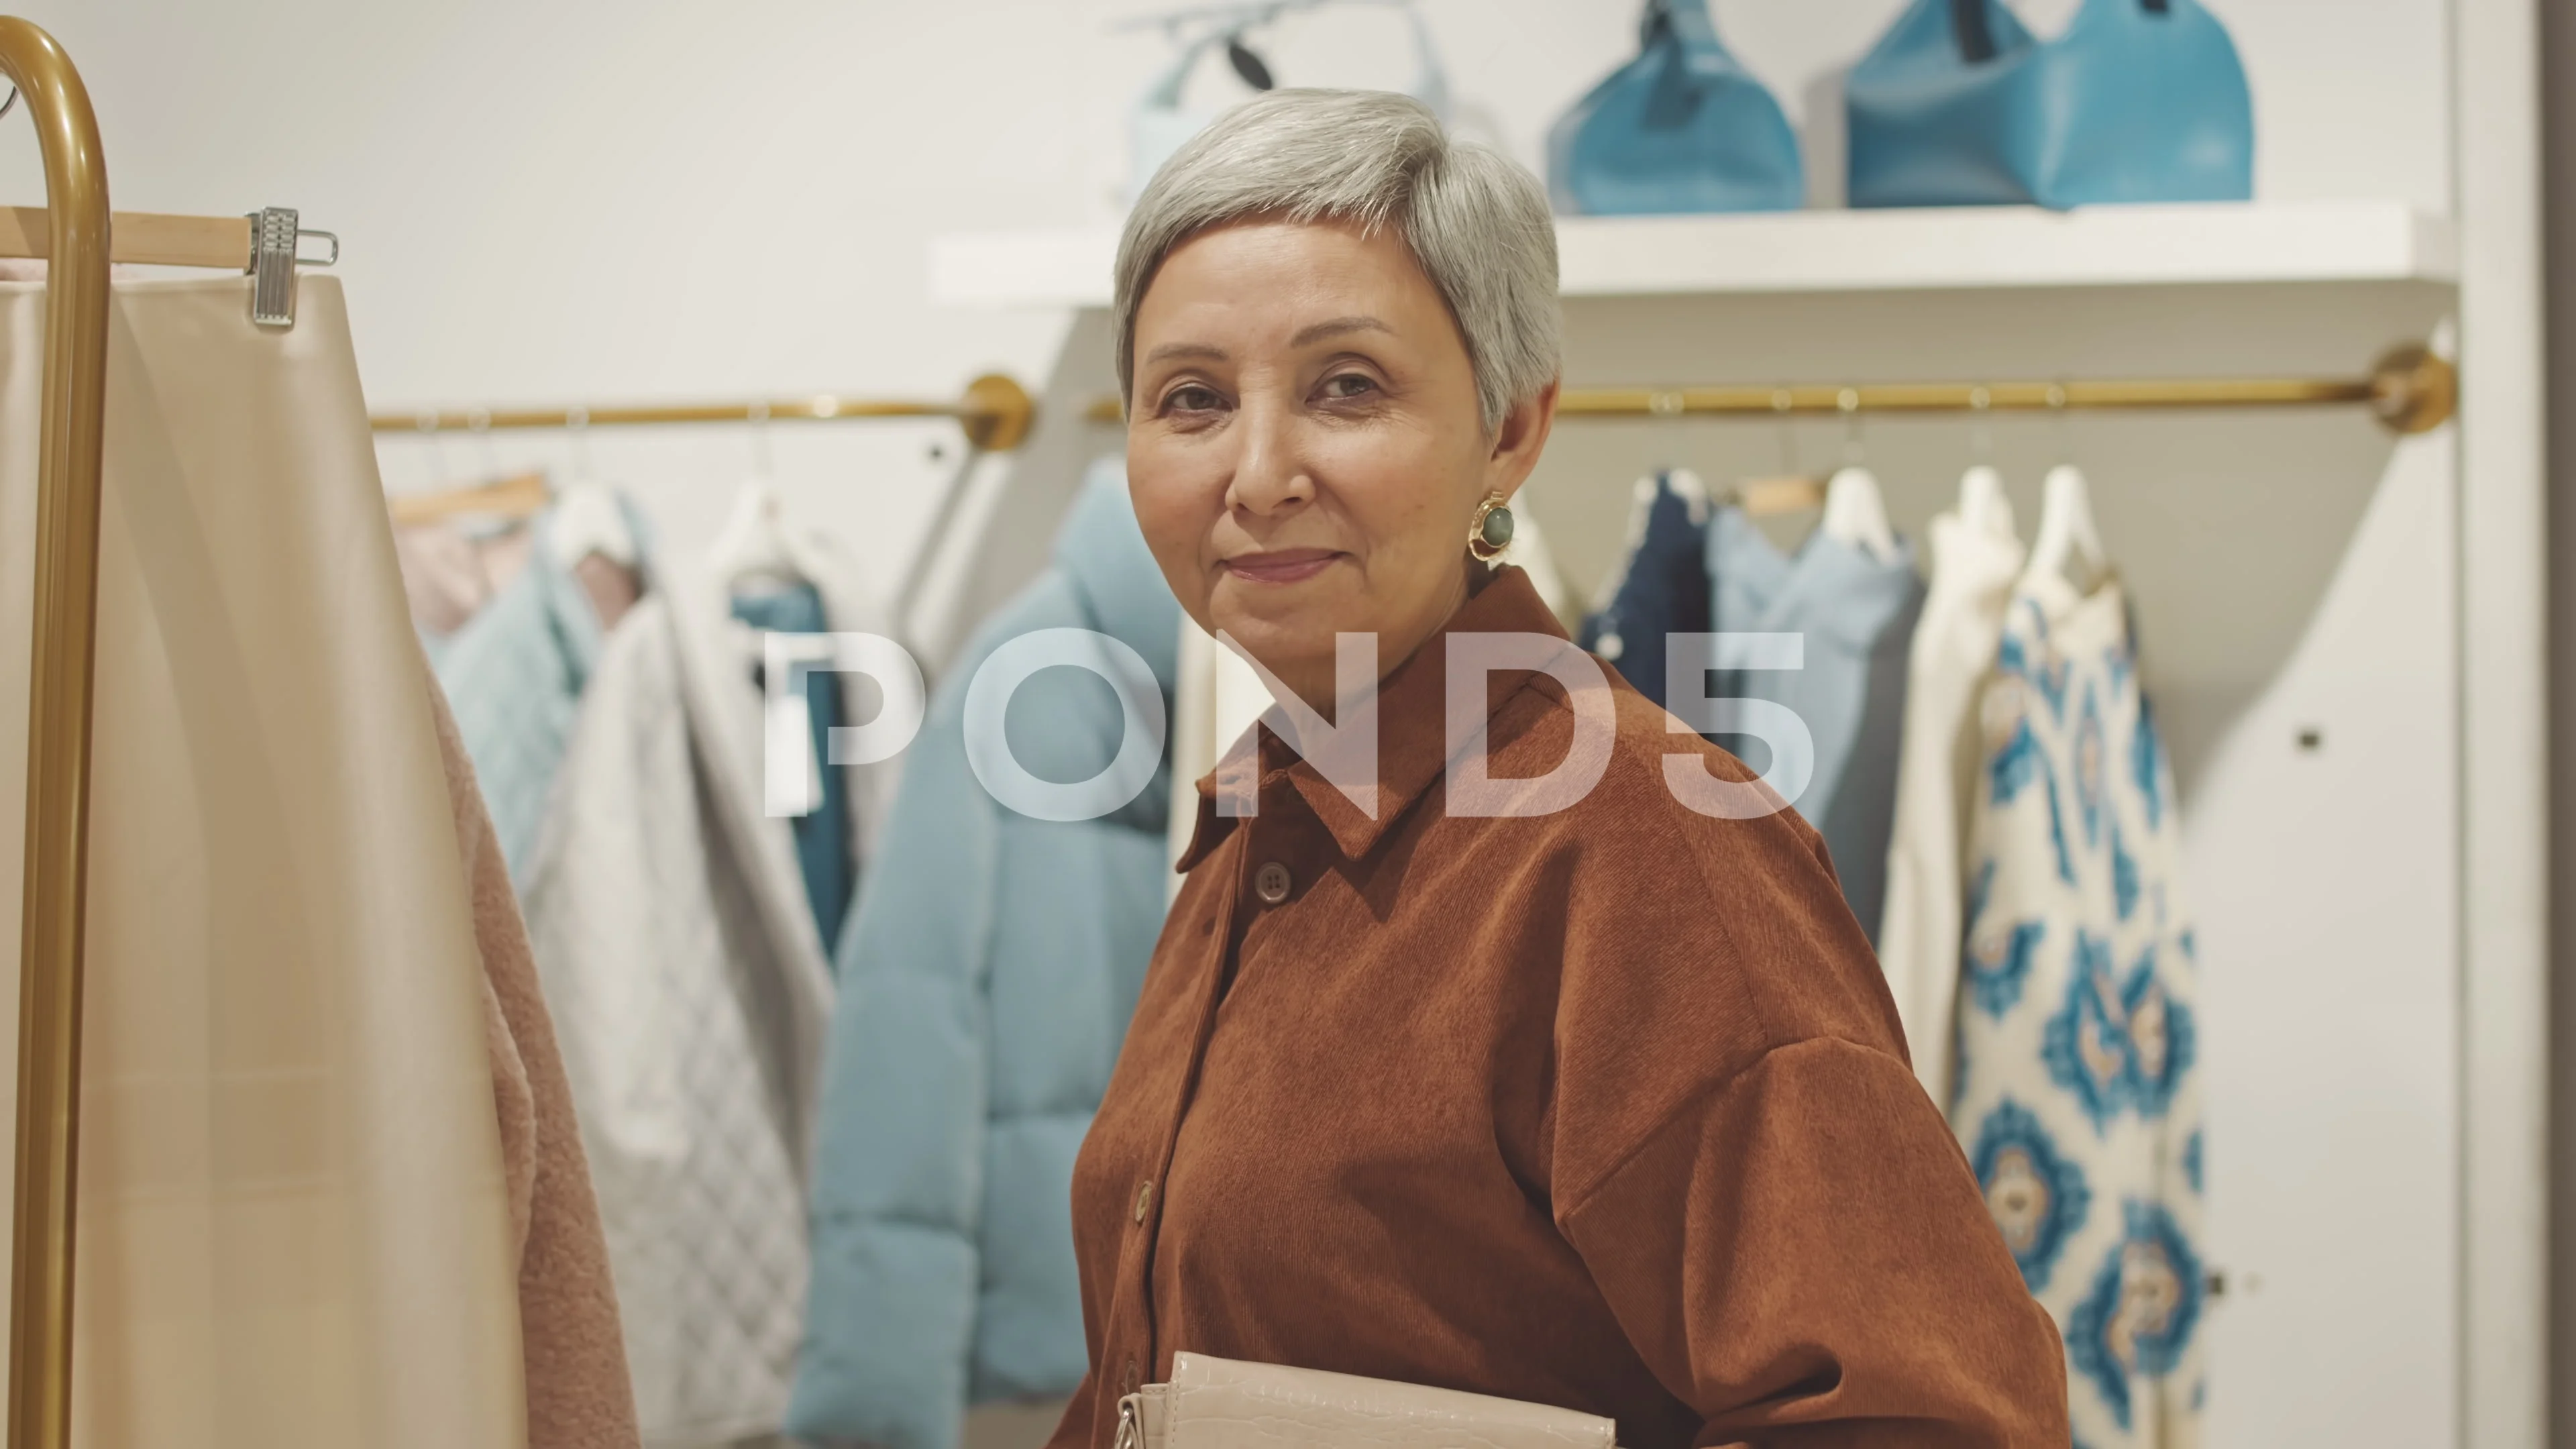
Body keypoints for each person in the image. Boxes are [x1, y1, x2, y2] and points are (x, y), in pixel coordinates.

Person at [1050, 89, 2068, 1448]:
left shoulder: (1644, 843)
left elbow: (1931, 1418)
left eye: (1346, 387)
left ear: (1512, 431)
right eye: (1189, 400)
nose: (1257, 470)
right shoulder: (1265, 820)